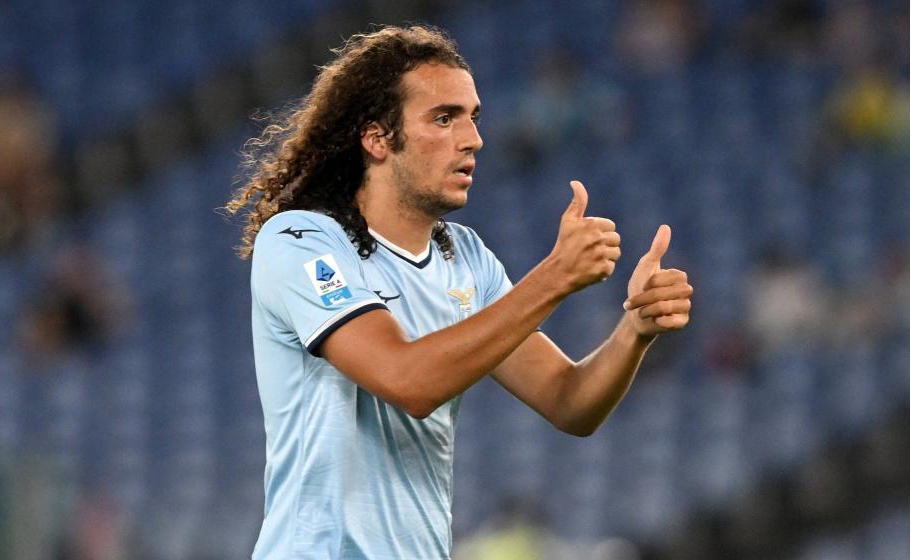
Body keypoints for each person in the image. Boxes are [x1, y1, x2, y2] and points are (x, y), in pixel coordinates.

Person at [224, 25, 693, 559]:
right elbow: (407, 381)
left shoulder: (465, 256)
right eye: (444, 118)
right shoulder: (301, 241)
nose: (473, 139)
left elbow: (570, 402)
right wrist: (555, 277)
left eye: (474, 117)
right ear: (377, 138)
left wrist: (635, 329)